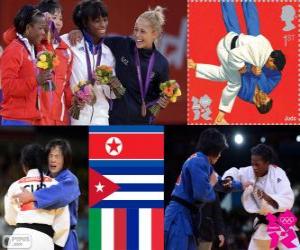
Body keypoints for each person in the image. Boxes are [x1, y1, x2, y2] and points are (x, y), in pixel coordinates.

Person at [68, 5, 170, 124]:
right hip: (113, 121)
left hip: (143, 124)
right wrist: (80, 32)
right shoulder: (121, 45)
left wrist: (161, 104)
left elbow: (161, 97)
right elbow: (95, 39)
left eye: (142, 31)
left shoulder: (161, 63)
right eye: (135, 29)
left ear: (155, 34)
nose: (137, 35)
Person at [188, 2, 285, 124]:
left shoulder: (244, 94)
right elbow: (277, 74)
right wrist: (262, 66)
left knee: (232, 28)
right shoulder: (267, 87)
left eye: (264, 98)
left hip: (238, 54)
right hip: (254, 52)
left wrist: (252, 70)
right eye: (267, 95)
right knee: (254, 26)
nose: (265, 94)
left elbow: (233, 74)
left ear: (259, 104)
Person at [164, 128, 241, 250]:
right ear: (213, 149)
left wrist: (242, 184)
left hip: (187, 217)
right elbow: (201, 194)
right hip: (179, 216)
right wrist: (211, 183)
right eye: (219, 151)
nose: (220, 155)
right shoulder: (197, 162)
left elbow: (221, 184)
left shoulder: (204, 164)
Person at [222, 144, 299, 249]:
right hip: (264, 223)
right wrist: (229, 178)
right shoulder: (249, 172)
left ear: (267, 163)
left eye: (257, 164)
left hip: (283, 220)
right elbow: (235, 172)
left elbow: (288, 199)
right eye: (252, 163)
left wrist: (268, 198)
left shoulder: (278, 173)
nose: (254, 167)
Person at [61, 0, 121, 125]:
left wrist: (110, 82)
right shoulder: (70, 42)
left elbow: (113, 95)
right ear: (85, 23)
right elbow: (44, 42)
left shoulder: (106, 52)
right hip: (77, 113)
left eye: (105, 20)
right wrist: (76, 31)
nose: (103, 24)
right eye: (97, 21)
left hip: (101, 117)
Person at [13, 139, 81, 250]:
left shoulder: (71, 180)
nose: (53, 160)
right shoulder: (43, 178)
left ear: (65, 159)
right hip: (44, 235)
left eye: (57, 156)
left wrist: (32, 196)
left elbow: (60, 194)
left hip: (66, 236)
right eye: (50, 156)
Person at [0, 5, 51, 125]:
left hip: (30, 117)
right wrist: (36, 80)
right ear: (28, 28)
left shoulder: (31, 49)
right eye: (41, 29)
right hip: (15, 119)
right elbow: (8, 87)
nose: (44, 33)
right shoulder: (14, 50)